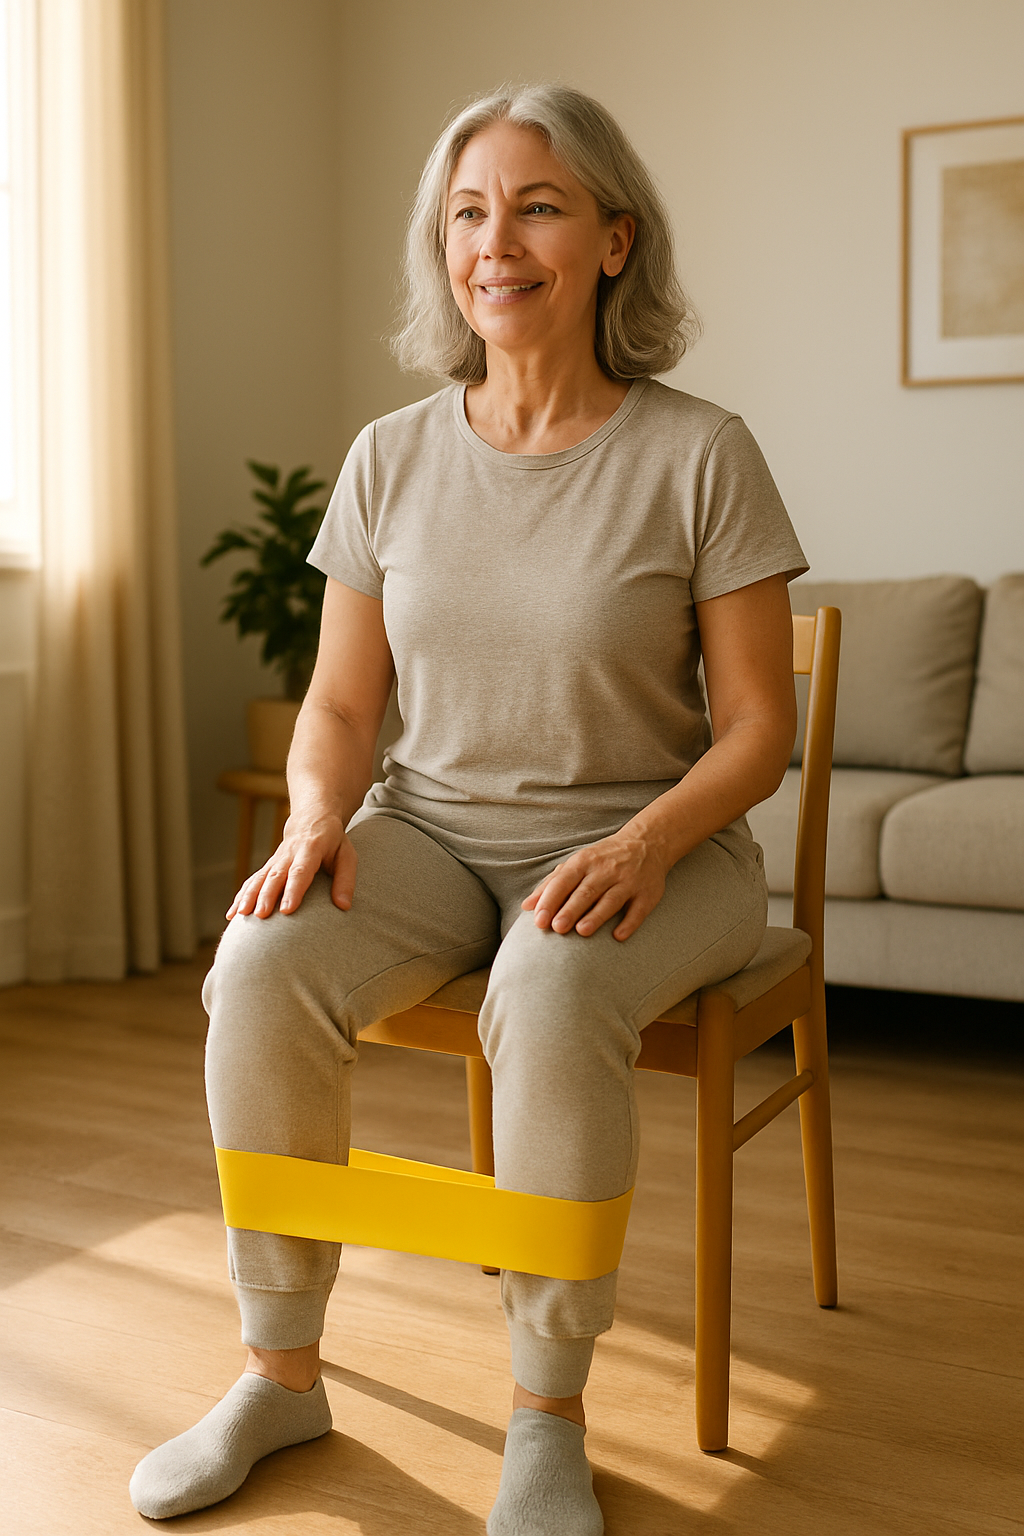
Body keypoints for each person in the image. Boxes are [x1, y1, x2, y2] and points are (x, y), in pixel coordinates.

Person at [130, 83, 806, 1534]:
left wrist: (642, 841)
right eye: (468, 213)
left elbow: (761, 729)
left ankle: (547, 1411)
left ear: (615, 242)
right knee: (256, 966)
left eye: (540, 205)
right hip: (434, 832)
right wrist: (319, 816)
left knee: (554, 991)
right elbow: (338, 708)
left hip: (662, 848)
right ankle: (280, 1371)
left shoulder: (701, 453)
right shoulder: (391, 457)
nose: (497, 242)